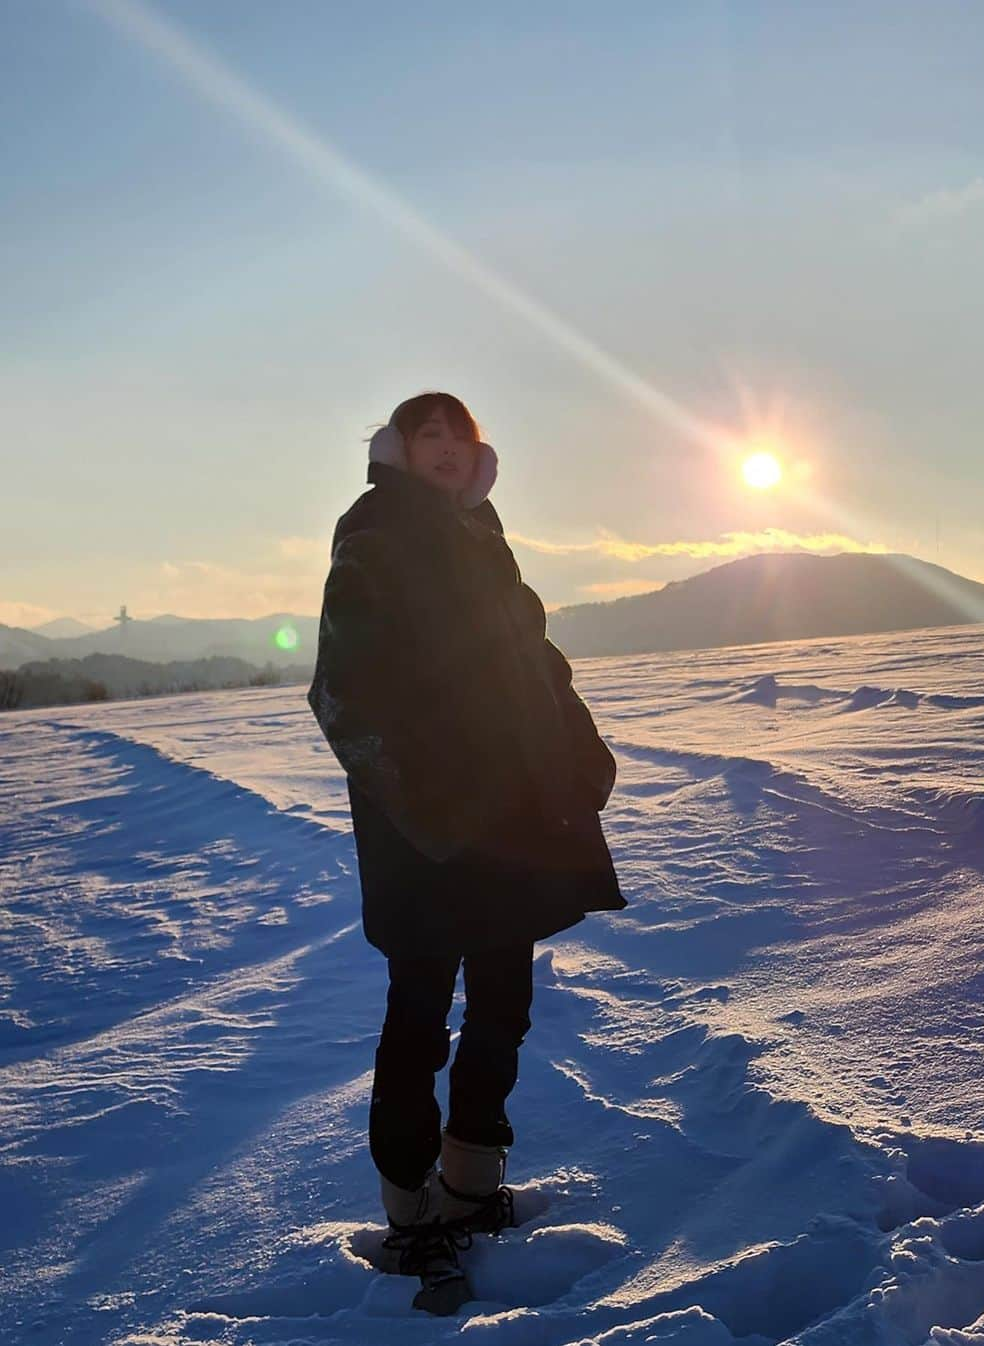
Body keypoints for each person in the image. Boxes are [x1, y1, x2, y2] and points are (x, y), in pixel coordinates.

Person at [307, 391, 625, 1312]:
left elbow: (533, 656)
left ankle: (473, 1189)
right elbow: (343, 693)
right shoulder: (373, 535)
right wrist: (428, 809)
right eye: (427, 434)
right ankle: (412, 1218)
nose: (446, 448)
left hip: (511, 821)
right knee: (418, 1016)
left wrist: (578, 747)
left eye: (460, 433)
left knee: (503, 1004)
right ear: (400, 450)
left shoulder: (482, 530)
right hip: (427, 833)